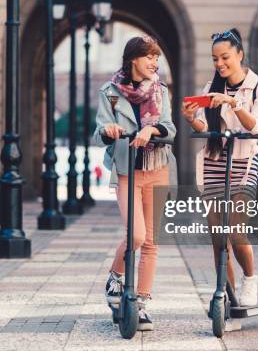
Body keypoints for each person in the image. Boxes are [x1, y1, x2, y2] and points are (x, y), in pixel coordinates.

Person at [181, 28, 258, 306]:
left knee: (235, 230)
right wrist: (190, 119)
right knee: (218, 238)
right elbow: (206, 126)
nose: (219, 64)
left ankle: (250, 279)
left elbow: (255, 125)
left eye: (225, 57)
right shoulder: (210, 88)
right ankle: (227, 297)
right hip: (214, 162)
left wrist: (233, 103)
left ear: (239, 55)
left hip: (244, 162)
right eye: (215, 59)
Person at [94, 35, 177, 331]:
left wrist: (152, 130)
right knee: (137, 236)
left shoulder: (160, 90)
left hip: (158, 168)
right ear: (134, 60)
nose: (155, 62)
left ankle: (140, 304)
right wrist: (109, 130)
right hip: (127, 171)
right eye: (149, 57)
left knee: (152, 242)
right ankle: (115, 278)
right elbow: (99, 131)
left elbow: (170, 129)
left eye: (156, 57)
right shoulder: (111, 92)